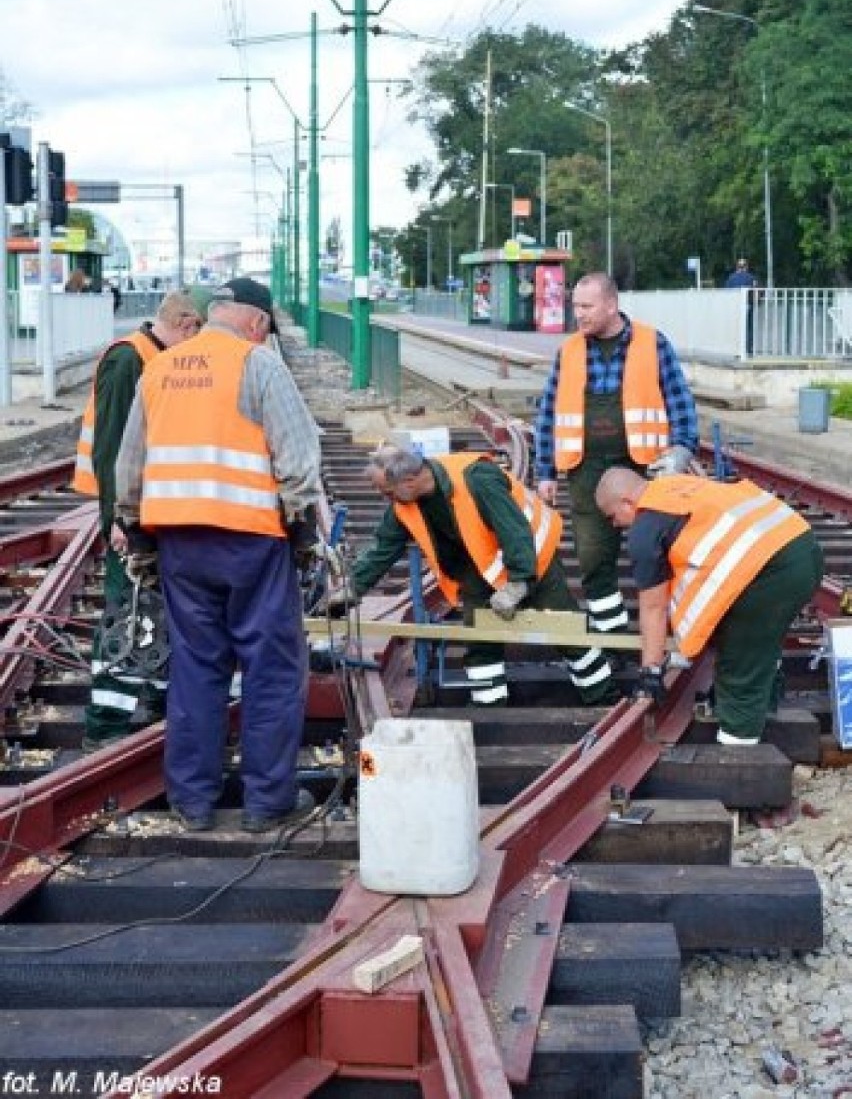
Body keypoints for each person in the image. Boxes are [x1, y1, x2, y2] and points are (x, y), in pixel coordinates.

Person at [114, 277, 323, 834]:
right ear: (256, 322)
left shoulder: (159, 369)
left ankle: (194, 802)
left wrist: (136, 535)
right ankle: (266, 802)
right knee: (271, 670)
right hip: (251, 539)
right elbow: (299, 460)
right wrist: (303, 531)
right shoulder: (258, 366)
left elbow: (128, 466)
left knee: (197, 668)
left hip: (181, 545)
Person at [328, 444, 619, 706]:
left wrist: (519, 583)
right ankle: (489, 705)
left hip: (532, 561)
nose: (384, 498)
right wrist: (351, 589)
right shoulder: (403, 505)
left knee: (565, 630)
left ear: (409, 480)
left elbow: (514, 531)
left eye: (387, 491)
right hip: (477, 569)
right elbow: (382, 549)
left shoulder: (476, 477)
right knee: (480, 641)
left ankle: (604, 697)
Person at [535, 272, 699, 696]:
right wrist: (545, 471)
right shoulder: (569, 351)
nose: (578, 314)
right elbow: (549, 414)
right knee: (593, 561)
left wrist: (681, 450)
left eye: (586, 307)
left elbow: (678, 399)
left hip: (645, 467)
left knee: (662, 552)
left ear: (610, 305)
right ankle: (615, 642)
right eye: (576, 306)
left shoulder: (651, 342)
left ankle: (673, 635)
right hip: (585, 467)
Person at [594, 467, 824, 743]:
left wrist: (651, 671)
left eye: (612, 517)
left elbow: (653, 607)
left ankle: (738, 749)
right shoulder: (674, 486)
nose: (615, 525)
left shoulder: (645, 530)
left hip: (771, 572)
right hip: (802, 547)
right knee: (760, 641)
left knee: (739, 662)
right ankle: (766, 710)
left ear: (627, 503)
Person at [75, 292, 205, 750]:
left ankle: (152, 703)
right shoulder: (129, 360)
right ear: (188, 324)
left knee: (152, 611)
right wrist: (117, 520)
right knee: (126, 614)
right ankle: (105, 725)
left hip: (154, 514)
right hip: (129, 519)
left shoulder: (158, 359)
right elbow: (111, 447)